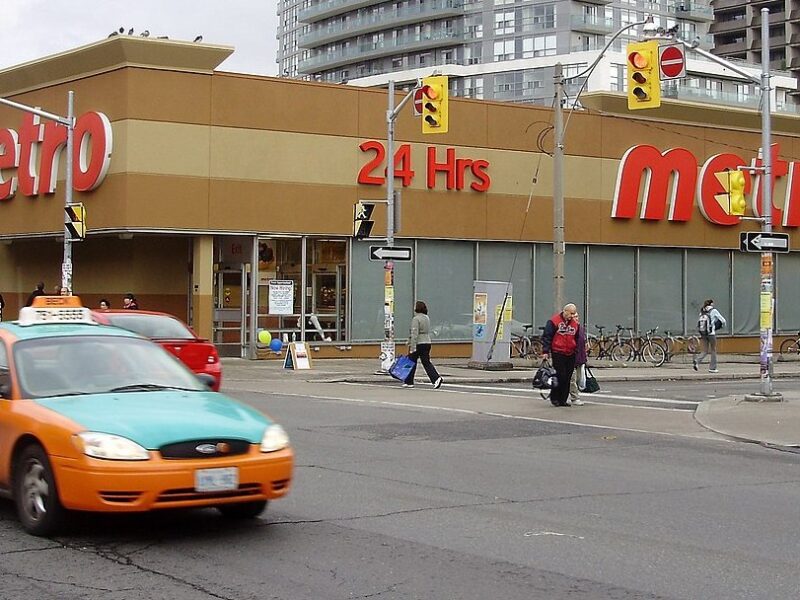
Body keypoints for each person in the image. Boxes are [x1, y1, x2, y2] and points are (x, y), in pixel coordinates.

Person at [541, 303, 582, 407]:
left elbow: (577, 337)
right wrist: (545, 351)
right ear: (565, 311)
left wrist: (576, 349)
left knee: (568, 377)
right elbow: (547, 336)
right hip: (558, 352)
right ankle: (555, 398)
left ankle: (563, 399)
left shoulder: (575, 324)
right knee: (560, 376)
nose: (572, 316)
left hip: (570, 353)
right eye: (571, 313)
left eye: (574, 313)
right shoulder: (554, 321)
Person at [403, 300, 443, 389]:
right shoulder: (426, 318)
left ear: (416, 308)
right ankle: (435, 378)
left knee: (411, 361)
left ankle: (409, 381)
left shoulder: (416, 319)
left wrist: (412, 346)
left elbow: (414, 333)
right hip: (427, 341)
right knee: (425, 362)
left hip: (419, 343)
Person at [694, 298, 727, 373]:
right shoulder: (714, 311)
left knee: (705, 350)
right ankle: (712, 368)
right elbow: (723, 320)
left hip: (703, 333)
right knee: (713, 350)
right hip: (711, 334)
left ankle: (697, 361)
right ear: (711, 304)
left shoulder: (702, 312)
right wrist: (721, 326)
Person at [569, 313, 588, 406]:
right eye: (573, 317)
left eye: (577, 316)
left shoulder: (580, 328)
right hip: (571, 358)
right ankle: (575, 398)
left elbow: (583, 342)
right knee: (572, 379)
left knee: (579, 379)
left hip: (580, 358)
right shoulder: (569, 329)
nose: (576, 318)